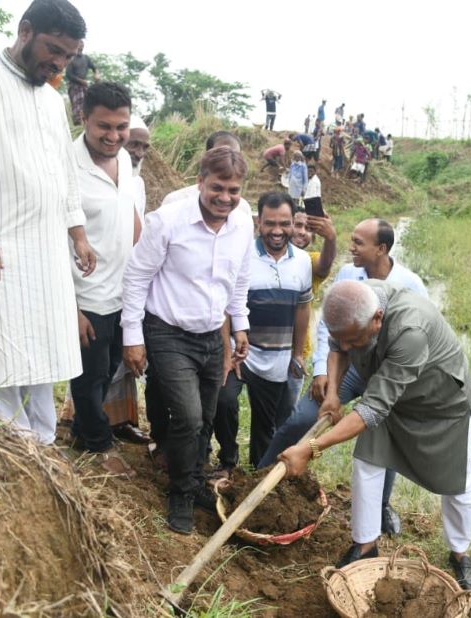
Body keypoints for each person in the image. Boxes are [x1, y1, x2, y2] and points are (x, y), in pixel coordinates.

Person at [0, 0, 96, 445]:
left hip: (46, 255)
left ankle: (44, 452)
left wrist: (78, 234)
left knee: (43, 360)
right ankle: (7, 457)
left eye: (68, 56)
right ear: (26, 31)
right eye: (54, 50)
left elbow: (64, 173)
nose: (59, 63)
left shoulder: (52, 100)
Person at [279, 279, 471, 592]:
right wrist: (333, 393)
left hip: (440, 403)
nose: (347, 346)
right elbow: (337, 347)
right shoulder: (352, 304)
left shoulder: (410, 330)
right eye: (343, 338)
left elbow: (372, 410)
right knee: (367, 462)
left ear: (377, 318)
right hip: (393, 396)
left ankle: (460, 553)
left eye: (354, 340)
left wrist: (310, 448)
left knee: (457, 480)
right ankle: (365, 545)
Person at [259, 218, 426, 538]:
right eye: (352, 241)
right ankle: (262, 475)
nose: (351, 248)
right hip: (349, 367)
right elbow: (329, 326)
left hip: (387, 375)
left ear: (381, 248)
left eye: (359, 243)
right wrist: (325, 374)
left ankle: (381, 506)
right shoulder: (348, 275)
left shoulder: (411, 284)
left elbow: (418, 338)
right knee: (302, 418)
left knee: (386, 440)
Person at [121, 147, 252, 534]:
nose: (225, 198)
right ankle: (179, 493)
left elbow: (239, 279)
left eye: (233, 190)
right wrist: (132, 336)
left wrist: (240, 325)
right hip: (168, 332)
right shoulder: (167, 221)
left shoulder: (242, 223)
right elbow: (136, 277)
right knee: (189, 417)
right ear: (200, 182)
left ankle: (194, 481)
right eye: (217, 188)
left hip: (211, 334)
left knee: (206, 418)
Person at [67, 82, 143, 476]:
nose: (114, 136)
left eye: (121, 127)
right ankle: (98, 447)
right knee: (89, 377)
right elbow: (54, 239)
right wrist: (72, 308)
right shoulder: (66, 167)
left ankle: (82, 432)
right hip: (87, 295)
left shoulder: (125, 161)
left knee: (110, 368)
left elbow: (130, 215)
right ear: (84, 118)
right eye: (104, 127)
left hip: (122, 292)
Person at [212, 192, 312, 475]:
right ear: (259, 222)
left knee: (265, 423)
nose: (277, 231)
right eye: (270, 223)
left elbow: (303, 308)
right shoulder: (242, 256)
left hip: (277, 359)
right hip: (240, 353)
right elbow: (226, 308)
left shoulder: (303, 261)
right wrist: (227, 352)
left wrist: (296, 354)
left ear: (293, 223)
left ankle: (260, 471)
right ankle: (227, 461)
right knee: (224, 401)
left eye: (284, 223)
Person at [288, 206, 337, 405]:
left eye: (308, 228)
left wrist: (330, 238)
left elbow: (324, 265)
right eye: (297, 225)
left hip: (296, 351)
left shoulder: (310, 261)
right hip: (263, 347)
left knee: (288, 407)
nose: (302, 232)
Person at [65, 41, 97, 126]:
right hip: (74, 86)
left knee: (87, 104)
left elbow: (94, 68)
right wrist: (81, 81)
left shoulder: (86, 58)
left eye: (82, 44)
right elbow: (69, 74)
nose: (80, 46)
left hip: (84, 86)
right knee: (77, 106)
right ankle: (78, 124)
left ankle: (86, 122)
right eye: (79, 44)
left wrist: (96, 74)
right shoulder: (71, 59)